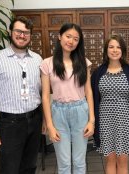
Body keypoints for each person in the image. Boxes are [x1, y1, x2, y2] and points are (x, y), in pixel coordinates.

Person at [0, 16, 43, 174]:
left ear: (30, 35)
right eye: (18, 31)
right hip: (9, 124)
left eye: (26, 33)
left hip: (34, 120)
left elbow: (41, 92)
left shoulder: (37, 59)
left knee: (30, 166)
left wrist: (44, 120)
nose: (22, 35)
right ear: (10, 32)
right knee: (9, 168)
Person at [40, 23, 95, 174]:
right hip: (58, 113)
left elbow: (88, 91)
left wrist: (91, 120)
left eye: (75, 39)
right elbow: (45, 96)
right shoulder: (47, 63)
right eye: (68, 36)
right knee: (63, 163)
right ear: (59, 37)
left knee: (79, 161)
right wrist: (50, 125)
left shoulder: (84, 62)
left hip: (80, 111)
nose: (71, 41)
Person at [91, 34, 129, 174]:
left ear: (123, 50)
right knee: (109, 160)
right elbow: (92, 99)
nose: (115, 50)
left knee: (122, 162)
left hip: (125, 122)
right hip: (104, 122)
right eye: (111, 47)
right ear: (106, 50)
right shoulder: (98, 73)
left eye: (118, 47)